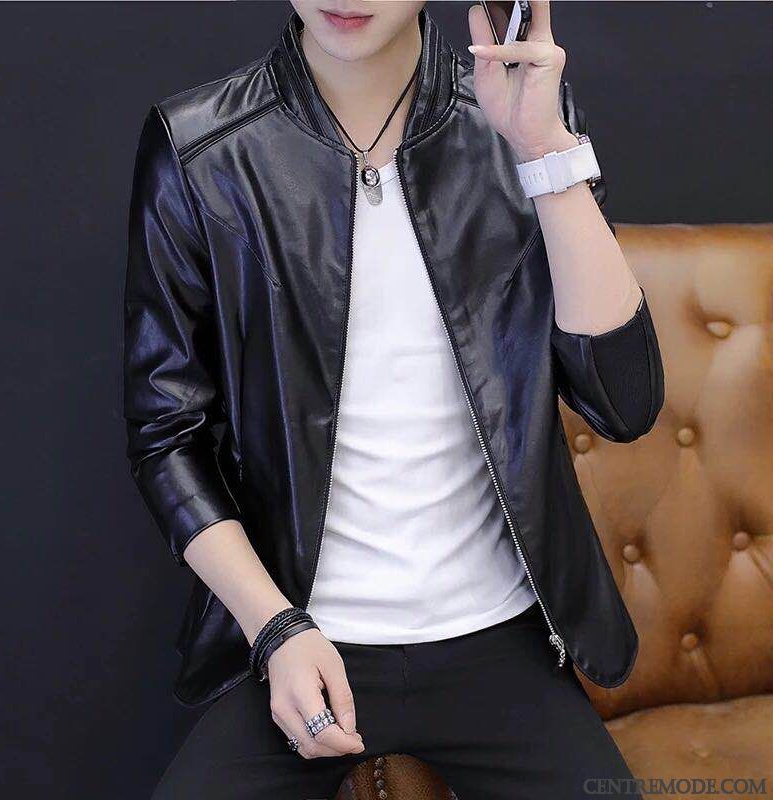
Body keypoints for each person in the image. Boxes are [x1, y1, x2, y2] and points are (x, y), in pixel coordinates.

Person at [123, 1, 664, 797]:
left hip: (500, 640)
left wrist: (543, 149)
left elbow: (624, 403)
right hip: (302, 634)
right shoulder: (200, 147)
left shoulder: (518, 119)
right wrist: (275, 629)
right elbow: (166, 434)